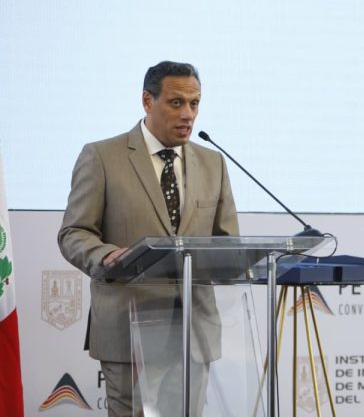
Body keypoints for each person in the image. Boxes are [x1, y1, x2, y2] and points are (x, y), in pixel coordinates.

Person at [58, 61, 239, 416]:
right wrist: (105, 255)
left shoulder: (213, 163)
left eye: (195, 103)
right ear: (147, 101)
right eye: (176, 102)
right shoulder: (102, 157)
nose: (188, 114)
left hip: (194, 331)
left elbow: (227, 242)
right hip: (130, 328)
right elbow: (73, 232)